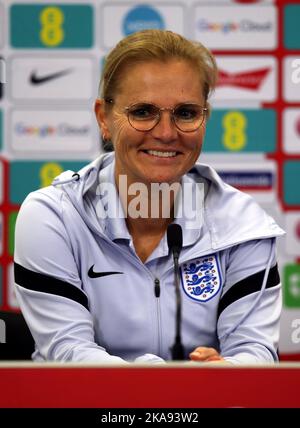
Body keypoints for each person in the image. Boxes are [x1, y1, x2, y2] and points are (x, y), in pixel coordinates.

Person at [14, 29, 284, 364]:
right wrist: (160, 382)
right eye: (143, 112)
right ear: (104, 119)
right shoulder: (53, 216)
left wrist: (227, 372)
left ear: (204, 119)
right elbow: (67, 353)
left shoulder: (244, 225)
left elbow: (256, 353)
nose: (166, 133)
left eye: (186, 113)